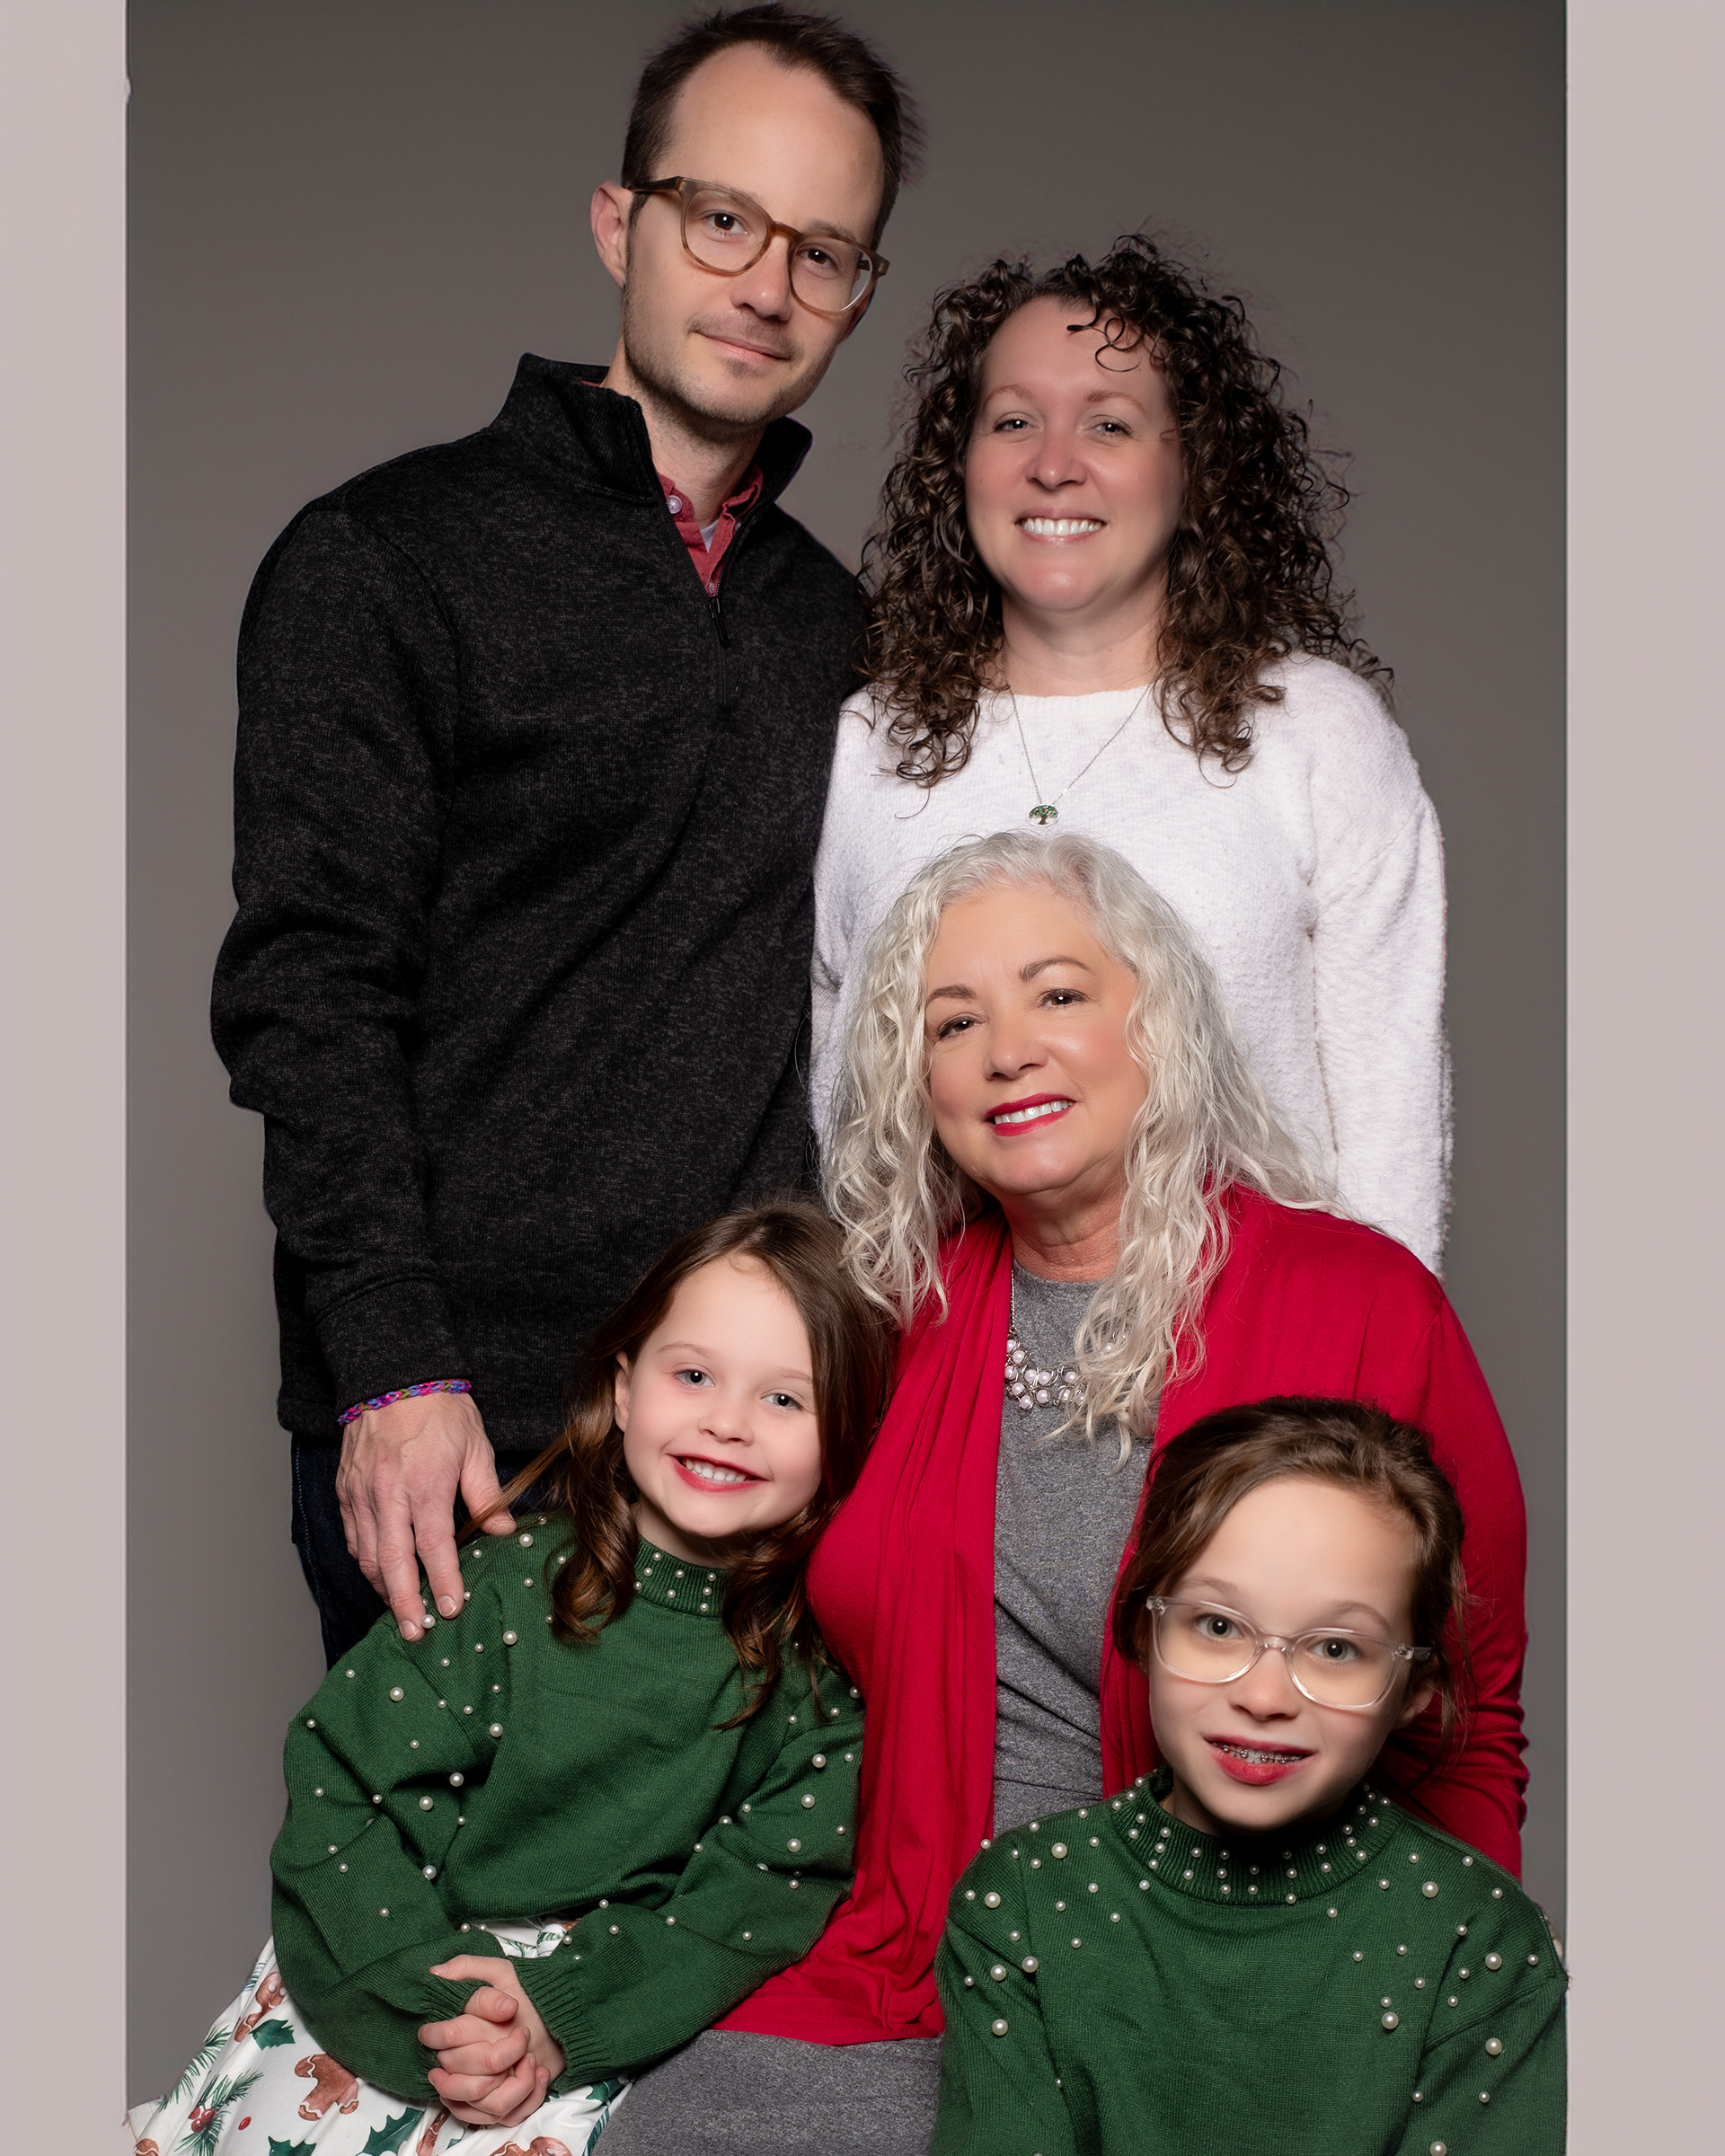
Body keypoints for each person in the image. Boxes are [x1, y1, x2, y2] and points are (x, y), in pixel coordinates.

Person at [598, 831, 1525, 2156]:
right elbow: (709, 1525)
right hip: (926, 1956)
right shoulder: (888, 1324)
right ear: (918, 1082)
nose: (1007, 1050)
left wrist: (1446, 2002)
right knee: (672, 2133)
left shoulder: (1364, 1306)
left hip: (1247, 1956)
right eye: (954, 1020)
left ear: (1157, 1019)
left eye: (1058, 993)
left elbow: (1472, 1714)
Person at [208, 6, 919, 1663]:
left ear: (857, 295)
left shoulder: (847, 637)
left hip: (758, 1440)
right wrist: (391, 1365)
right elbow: (309, 995)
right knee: (410, 1848)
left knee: (771, 1851)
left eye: (822, 253)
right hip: (467, 1426)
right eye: (722, 217)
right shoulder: (385, 558)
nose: (765, 284)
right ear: (621, 224)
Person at [128, 1204, 891, 2156]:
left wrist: (557, 2018)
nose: (726, 1422)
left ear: (849, 1438)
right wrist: (430, 2005)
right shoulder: (497, 1588)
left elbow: (753, 1903)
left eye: (785, 1400)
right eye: (693, 1375)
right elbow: (343, 1788)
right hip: (389, 1961)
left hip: (606, 2009)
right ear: (624, 1390)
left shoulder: (823, 1682)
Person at [813, 235, 1449, 1276]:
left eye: (1108, 423)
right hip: (940, 1351)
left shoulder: (1314, 733)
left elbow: (1391, 1123)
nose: (1053, 462)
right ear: (959, 465)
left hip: (1253, 1352)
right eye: (1012, 420)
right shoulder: (871, 743)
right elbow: (841, 1113)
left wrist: (1371, 1358)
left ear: (1192, 469)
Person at [933, 1399, 1565, 2156]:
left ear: (1414, 1691)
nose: (1264, 1699)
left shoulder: (1481, 1941)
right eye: (1218, 1626)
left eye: (1336, 1649)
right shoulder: (1023, 1902)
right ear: (1143, 1629)